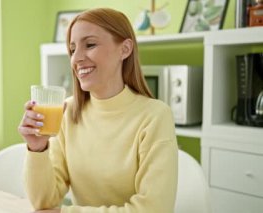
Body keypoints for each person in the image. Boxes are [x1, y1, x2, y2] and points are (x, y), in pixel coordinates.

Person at [18, 8, 178, 213]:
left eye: (90, 45)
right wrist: (37, 149)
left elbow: (154, 209)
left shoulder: (155, 116)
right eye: (72, 49)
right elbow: (43, 203)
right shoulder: (67, 112)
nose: (77, 58)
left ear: (125, 49)